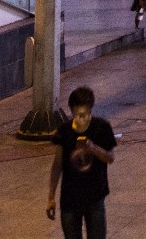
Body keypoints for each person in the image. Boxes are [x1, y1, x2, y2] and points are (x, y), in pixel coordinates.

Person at [47, 86, 118, 239]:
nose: (82, 119)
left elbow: (110, 158)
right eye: (78, 115)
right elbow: (57, 166)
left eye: (85, 114)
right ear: (72, 112)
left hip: (95, 198)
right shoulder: (64, 132)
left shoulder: (101, 128)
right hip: (70, 200)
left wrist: (92, 148)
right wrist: (51, 197)